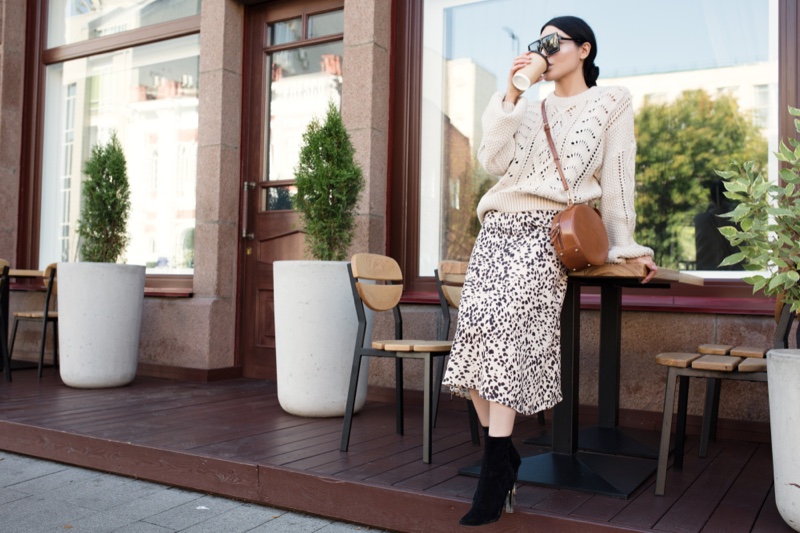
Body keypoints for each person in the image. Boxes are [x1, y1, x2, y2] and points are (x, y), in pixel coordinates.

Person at [442, 16, 658, 527]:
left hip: (548, 232)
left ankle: (494, 472)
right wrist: (513, 93)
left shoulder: (611, 102)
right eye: (539, 42)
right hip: (496, 229)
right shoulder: (528, 108)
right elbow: (492, 160)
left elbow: (618, 179)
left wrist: (625, 244)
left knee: (513, 338)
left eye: (553, 41)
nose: (545, 50)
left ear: (584, 49)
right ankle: (507, 459)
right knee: (473, 339)